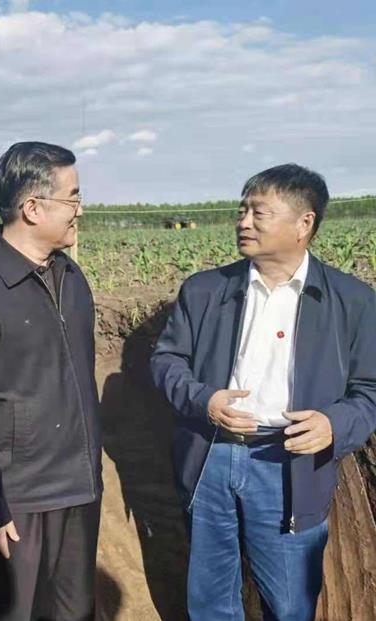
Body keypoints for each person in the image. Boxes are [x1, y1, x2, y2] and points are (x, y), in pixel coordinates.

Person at [151, 163, 376, 620]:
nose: (244, 222)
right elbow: (167, 360)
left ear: (304, 223)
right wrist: (205, 400)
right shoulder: (204, 290)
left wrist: (335, 423)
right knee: (211, 598)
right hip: (211, 457)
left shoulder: (352, 301)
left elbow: (370, 387)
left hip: (289, 465)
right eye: (242, 211)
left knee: (290, 603)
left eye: (259, 212)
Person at [0, 141, 103, 621]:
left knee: (75, 612)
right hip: (20, 501)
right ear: (32, 208)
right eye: (72, 197)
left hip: (79, 489)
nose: (80, 210)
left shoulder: (71, 278)